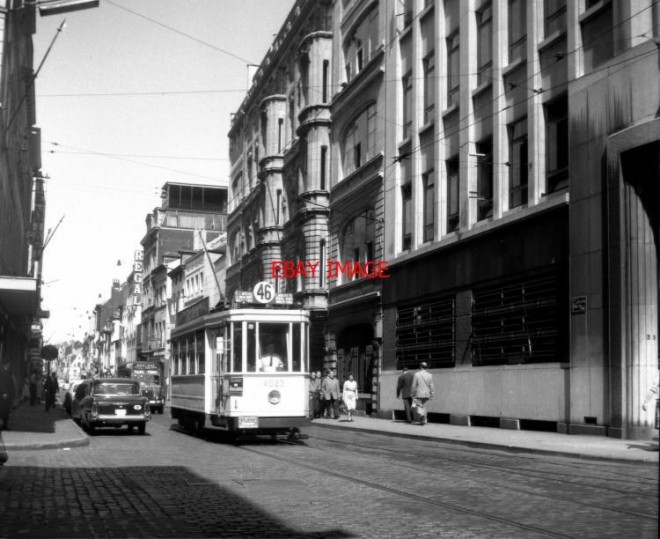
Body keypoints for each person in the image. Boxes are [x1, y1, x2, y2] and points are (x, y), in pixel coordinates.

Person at [0, 356, 16, 430]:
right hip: (3, 395)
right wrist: (3, 393)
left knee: (6, 411)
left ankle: (5, 425)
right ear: (6, 364)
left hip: (8, 394)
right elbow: (2, 383)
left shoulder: (8, 372)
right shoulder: (1, 372)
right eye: (8, 363)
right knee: (3, 411)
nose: (9, 365)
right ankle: (2, 425)